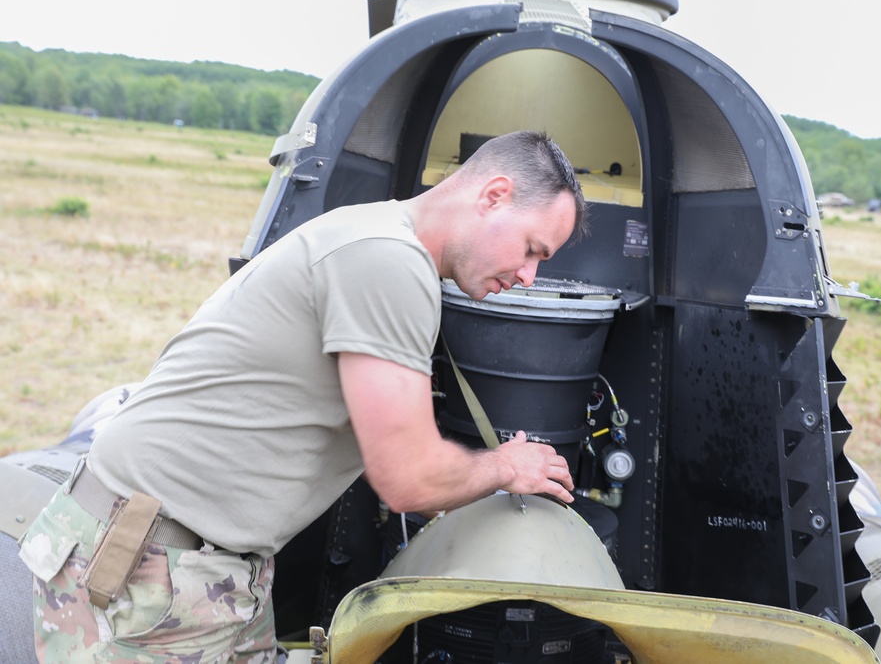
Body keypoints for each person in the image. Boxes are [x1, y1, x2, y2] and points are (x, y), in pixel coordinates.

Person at [19, 130, 588, 662]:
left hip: (208, 570)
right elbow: (409, 480)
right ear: (494, 195)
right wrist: (507, 464)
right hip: (149, 570)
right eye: (532, 248)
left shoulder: (377, 236)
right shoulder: (388, 261)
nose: (529, 276)